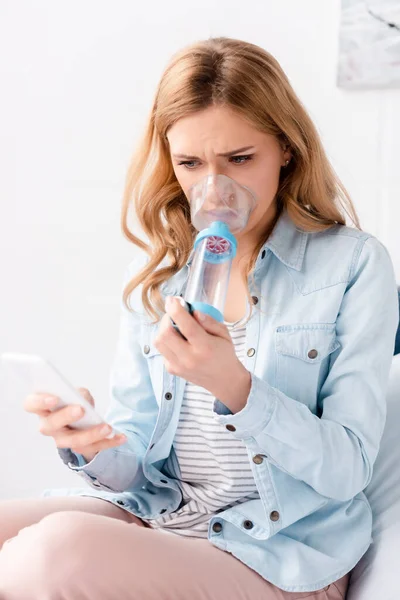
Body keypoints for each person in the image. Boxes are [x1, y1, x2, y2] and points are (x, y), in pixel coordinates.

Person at [0, 36, 398, 600]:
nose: (216, 187)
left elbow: (347, 470)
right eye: (190, 163)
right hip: (163, 518)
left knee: (55, 548)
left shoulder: (352, 264)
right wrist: (93, 444)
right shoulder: (159, 272)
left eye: (240, 159)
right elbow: (138, 463)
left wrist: (235, 387)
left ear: (286, 149)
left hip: (276, 551)